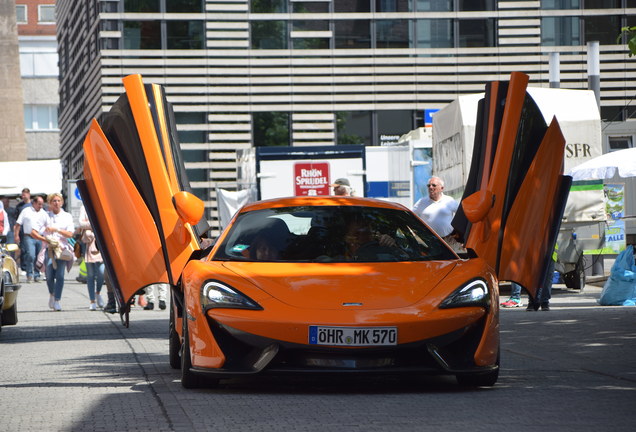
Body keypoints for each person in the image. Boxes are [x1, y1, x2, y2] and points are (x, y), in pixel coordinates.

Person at [37, 193, 75, 311]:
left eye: (58, 200)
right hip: (49, 248)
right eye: (54, 201)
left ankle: (57, 299)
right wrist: (46, 234)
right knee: (49, 275)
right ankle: (52, 294)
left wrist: (57, 230)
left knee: (60, 275)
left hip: (61, 249)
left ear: (62, 202)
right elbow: (38, 230)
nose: (56, 203)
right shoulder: (46, 215)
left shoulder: (67, 216)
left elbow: (70, 233)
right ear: (50, 203)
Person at [412, 176, 459, 243]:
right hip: (430, 241)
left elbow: (461, 215)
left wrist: (458, 232)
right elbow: (411, 215)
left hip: (449, 240)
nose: (431, 187)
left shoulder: (449, 201)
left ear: (441, 188)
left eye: (434, 185)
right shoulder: (421, 202)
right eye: (429, 185)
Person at [14, 195, 48, 282]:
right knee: (30, 255)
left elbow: (48, 225)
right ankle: (29, 274)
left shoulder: (43, 213)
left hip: (40, 237)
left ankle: (36, 275)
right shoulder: (26, 211)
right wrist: (16, 235)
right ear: (34, 203)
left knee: (38, 256)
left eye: (42, 204)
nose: (41, 206)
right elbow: (18, 224)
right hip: (28, 236)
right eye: (39, 204)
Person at [79, 205, 105, 311]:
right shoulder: (83, 207)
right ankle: (92, 300)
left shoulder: (100, 205)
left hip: (100, 242)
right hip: (89, 244)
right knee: (90, 274)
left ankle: (98, 292)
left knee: (101, 272)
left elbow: (103, 222)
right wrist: (94, 224)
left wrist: (88, 225)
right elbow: (81, 223)